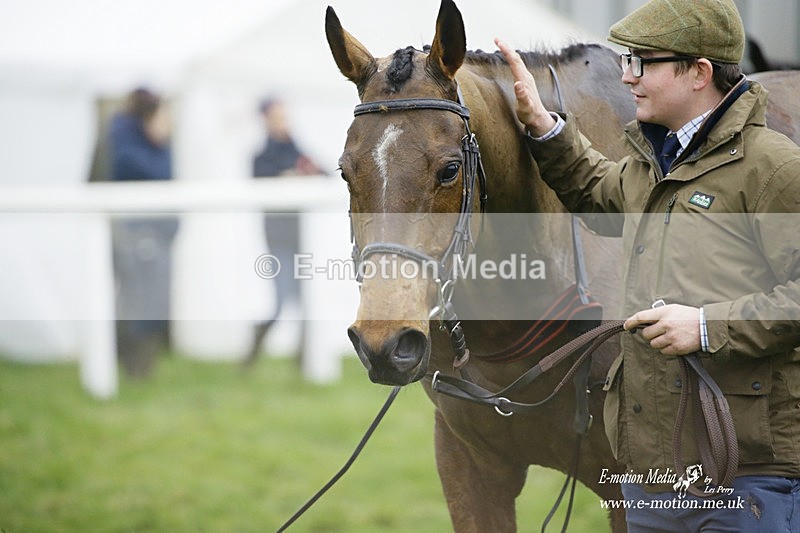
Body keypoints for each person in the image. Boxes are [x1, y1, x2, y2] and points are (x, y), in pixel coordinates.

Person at [496, 0, 800, 530]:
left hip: (747, 473)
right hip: (653, 476)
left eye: (642, 62)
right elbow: (596, 190)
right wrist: (543, 124)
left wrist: (706, 327)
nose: (626, 77)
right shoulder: (651, 162)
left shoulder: (774, 167)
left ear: (699, 72)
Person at [244, 97, 321, 367]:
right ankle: (252, 351)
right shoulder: (261, 156)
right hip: (279, 238)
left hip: (303, 238)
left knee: (306, 302)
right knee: (281, 302)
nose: (282, 121)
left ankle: (304, 361)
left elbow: (323, 172)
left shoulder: (296, 148)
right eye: (276, 116)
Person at [108, 87, 178, 378]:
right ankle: (133, 367)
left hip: (156, 231)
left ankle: (142, 367)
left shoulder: (151, 144)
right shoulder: (128, 143)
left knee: (152, 299)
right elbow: (151, 171)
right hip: (136, 230)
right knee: (137, 298)